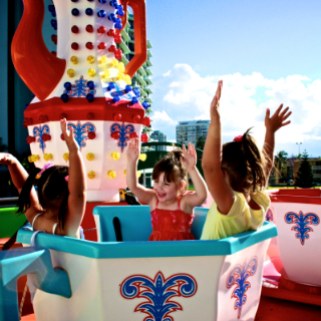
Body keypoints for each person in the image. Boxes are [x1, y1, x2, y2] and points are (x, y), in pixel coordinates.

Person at [201, 80, 292, 240]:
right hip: (236, 265)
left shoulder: (231, 205)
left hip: (207, 264)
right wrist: (270, 131)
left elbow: (210, 168)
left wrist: (216, 120)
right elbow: (266, 166)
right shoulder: (259, 202)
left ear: (223, 173)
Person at [0, 118, 86, 238]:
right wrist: (73, 149)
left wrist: (12, 161)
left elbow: (22, 188)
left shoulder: (36, 220)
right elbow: (78, 194)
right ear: (68, 196)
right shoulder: (66, 227)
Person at [126, 138, 207, 241]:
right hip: (157, 252)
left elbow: (202, 196)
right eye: (156, 181)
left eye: (166, 184)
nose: (159, 188)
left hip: (182, 253)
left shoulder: (183, 203)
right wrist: (132, 161)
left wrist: (192, 169)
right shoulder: (153, 200)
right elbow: (133, 187)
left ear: (180, 186)